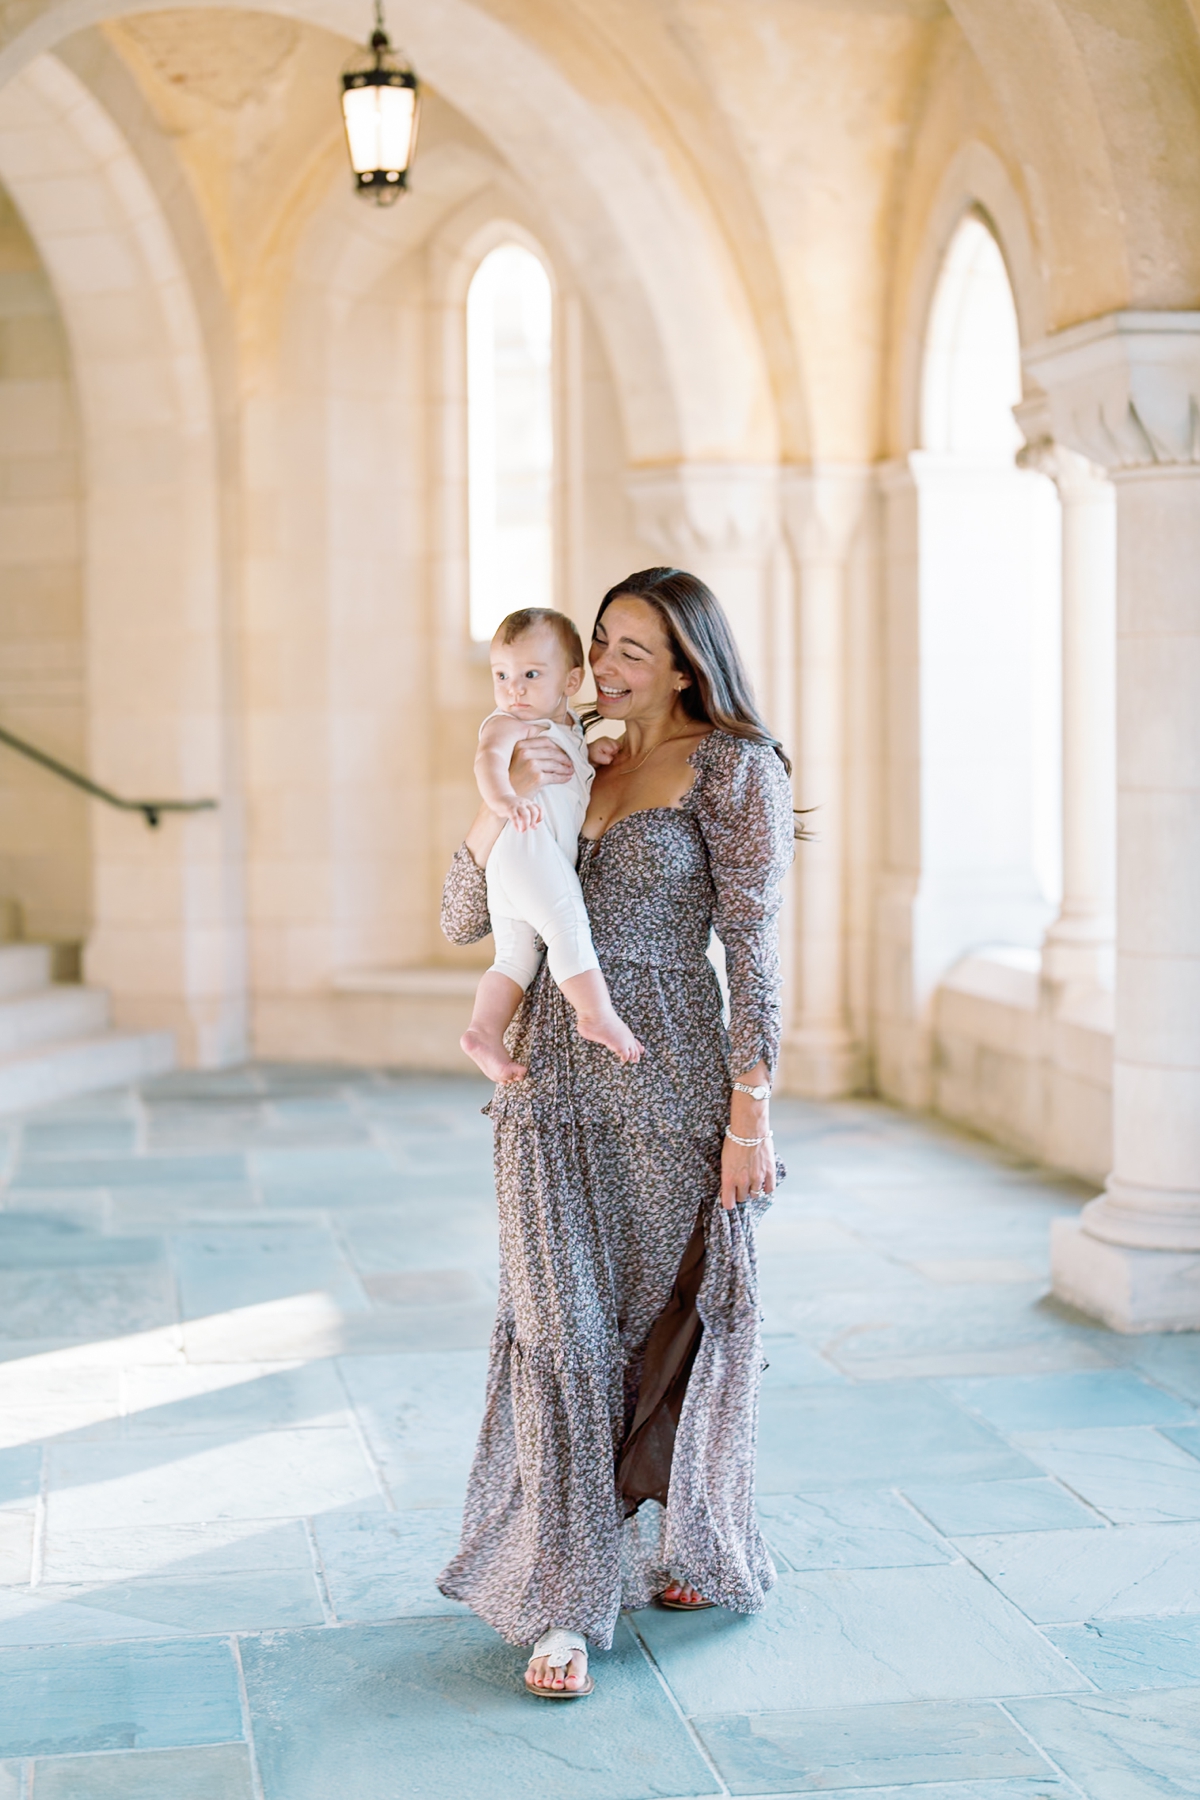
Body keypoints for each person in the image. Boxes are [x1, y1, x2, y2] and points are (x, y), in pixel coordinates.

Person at [437, 568, 796, 1700]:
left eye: (635, 649)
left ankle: (677, 1539)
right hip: (548, 1085)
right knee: (560, 1335)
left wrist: (753, 1111)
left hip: (674, 1076)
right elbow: (462, 915)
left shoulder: (739, 767)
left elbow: (754, 949)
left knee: (675, 1314)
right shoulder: (564, 750)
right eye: (600, 642)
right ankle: (565, 1603)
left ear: (688, 662)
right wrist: (501, 786)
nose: (607, 666)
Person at [461, 606, 642, 1082]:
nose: (513, 688)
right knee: (567, 921)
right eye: (501, 674)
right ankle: (595, 1012)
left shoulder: (568, 732)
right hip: (526, 844)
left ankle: (484, 1030)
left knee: (516, 955)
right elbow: (488, 761)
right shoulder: (507, 723)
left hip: (522, 862)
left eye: (530, 674)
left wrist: (592, 755)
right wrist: (505, 797)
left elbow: (570, 777)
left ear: (570, 682)